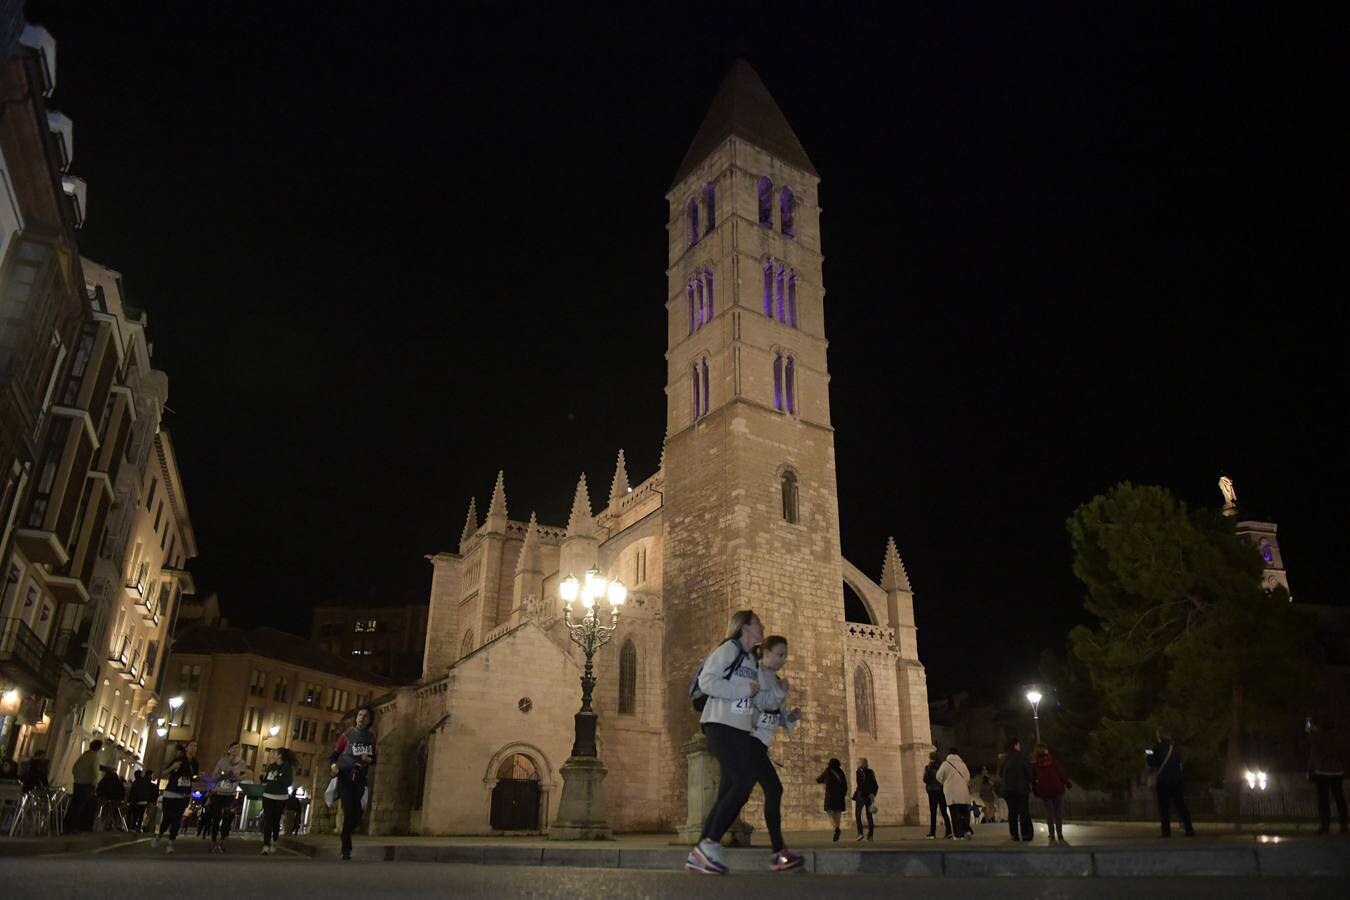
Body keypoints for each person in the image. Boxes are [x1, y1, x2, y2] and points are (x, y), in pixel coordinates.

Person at [684, 610, 764, 875]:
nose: (762, 626)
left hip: (739, 730)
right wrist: (742, 691)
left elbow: (748, 700)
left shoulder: (752, 660)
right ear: (745, 628)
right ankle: (707, 847)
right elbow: (707, 681)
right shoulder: (729, 648)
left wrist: (755, 724)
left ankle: (702, 852)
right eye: (757, 623)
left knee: (728, 793)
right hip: (718, 724)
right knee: (743, 781)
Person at [748, 634, 804, 871]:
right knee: (774, 788)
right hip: (749, 741)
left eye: (785, 655)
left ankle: (705, 846)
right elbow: (762, 704)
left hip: (759, 742)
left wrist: (790, 718)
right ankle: (778, 851)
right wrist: (780, 693)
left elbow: (776, 715)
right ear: (766, 653)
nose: (783, 659)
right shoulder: (756, 674)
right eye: (780, 654)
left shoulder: (774, 678)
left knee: (733, 794)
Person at [330, 705, 377, 861]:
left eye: (366, 716)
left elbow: (374, 759)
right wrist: (334, 766)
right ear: (356, 718)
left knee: (357, 813)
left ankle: (345, 833)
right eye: (360, 715)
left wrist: (368, 759)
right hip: (345, 776)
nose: (362, 718)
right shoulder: (347, 735)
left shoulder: (371, 738)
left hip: (360, 777)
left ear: (370, 720)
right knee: (349, 809)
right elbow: (335, 754)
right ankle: (346, 849)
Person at [1147, 727, 1194, 838]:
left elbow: (1153, 763)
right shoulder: (1177, 748)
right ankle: (1189, 829)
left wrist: (1148, 755)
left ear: (1160, 736)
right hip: (1177, 780)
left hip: (1163, 781)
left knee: (1164, 807)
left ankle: (1166, 832)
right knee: (1181, 805)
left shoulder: (1157, 747)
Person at [152, 741, 199, 853]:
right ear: (186, 748)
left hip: (184, 794)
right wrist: (173, 767)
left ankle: (170, 844)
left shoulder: (195, 762)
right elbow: (162, 774)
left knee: (177, 818)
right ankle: (159, 835)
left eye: (196, 746)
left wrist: (197, 776)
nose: (194, 748)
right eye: (191, 746)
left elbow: (194, 778)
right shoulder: (178, 760)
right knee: (167, 818)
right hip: (171, 793)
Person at [1306, 718, 1347, 835]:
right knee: (1340, 799)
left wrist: (1308, 720)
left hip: (1322, 771)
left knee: (1323, 801)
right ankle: (1343, 825)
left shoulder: (1317, 737)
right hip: (1337, 771)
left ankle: (1325, 826)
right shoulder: (1337, 738)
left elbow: (1308, 731)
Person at [205, 741, 248, 852]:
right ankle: (213, 840)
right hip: (219, 792)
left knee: (228, 818)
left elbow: (244, 775)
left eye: (238, 748)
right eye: (233, 748)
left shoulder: (242, 763)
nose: (236, 750)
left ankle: (224, 840)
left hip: (231, 793)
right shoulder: (222, 761)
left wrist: (237, 777)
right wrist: (223, 774)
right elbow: (214, 776)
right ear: (229, 750)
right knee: (216, 817)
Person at [1032, 743, 1072, 844]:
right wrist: (1067, 783)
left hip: (1045, 792)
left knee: (1049, 813)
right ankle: (1060, 834)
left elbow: (1033, 779)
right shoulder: (1053, 760)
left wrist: (1035, 791)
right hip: (1057, 789)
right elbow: (1061, 773)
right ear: (1046, 750)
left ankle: (1051, 833)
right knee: (1058, 812)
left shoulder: (1035, 764)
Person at [260, 747, 297, 854]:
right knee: (268, 820)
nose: (273, 755)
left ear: (280, 755)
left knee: (275, 820)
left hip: (280, 797)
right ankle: (266, 845)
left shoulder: (287, 767)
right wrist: (263, 779)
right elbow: (268, 779)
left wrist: (278, 777)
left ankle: (275, 839)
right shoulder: (271, 766)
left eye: (275, 753)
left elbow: (288, 782)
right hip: (268, 795)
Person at [999, 737, 1034, 841]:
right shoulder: (1022, 756)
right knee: (1024, 811)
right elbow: (1029, 772)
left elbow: (1001, 773)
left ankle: (1014, 834)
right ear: (1015, 745)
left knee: (1012, 812)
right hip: (1021, 789)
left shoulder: (1004, 758)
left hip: (1008, 790)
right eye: (1019, 744)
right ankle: (1026, 834)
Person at [64, 739, 103, 834]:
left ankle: (66, 825)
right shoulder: (94, 757)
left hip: (77, 783)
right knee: (81, 806)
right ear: (99, 748)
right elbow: (94, 772)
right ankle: (74, 827)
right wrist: (94, 782)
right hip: (86, 785)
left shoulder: (84, 755)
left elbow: (74, 768)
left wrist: (78, 778)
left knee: (74, 805)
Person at [936, 747, 973, 839]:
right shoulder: (962, 764)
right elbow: (968, 777)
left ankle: (958, 834)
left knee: (955, 813)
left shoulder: (946, 764)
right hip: (963, 792)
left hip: (951, 792)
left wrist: (945, 782)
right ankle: (966, 830)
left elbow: (938, 776)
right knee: (964, 813)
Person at [815, 758, 849, 841]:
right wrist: (843, 795)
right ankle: (837, 829)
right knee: (838, 814)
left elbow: (818, 779)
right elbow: (845, 785)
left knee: (830, 813)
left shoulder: (828, 771)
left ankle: (836, 829)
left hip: (830, 796)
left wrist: (824, 781)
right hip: (840, 797)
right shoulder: (841, 772)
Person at [923, 750, 952, 839]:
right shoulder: (941, 766)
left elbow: (925, 779)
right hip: (941, 791)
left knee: (933, 812)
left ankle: (932, 833)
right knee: (944, 812)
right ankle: (949, 831)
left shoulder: (928, 767)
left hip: (932, 791)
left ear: (930, 758)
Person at [853, 757, 879, 841]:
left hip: (861, 795)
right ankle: (870, 836)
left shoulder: (859, 771)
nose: (857, 764)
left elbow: (860, 784)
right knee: (869, 816)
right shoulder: (871, 772)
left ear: (861, 763)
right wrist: (872, 794)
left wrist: (863, 793)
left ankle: (860, 834)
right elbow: (875, 785)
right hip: (869, 796)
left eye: (858, 762)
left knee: (858, 815)